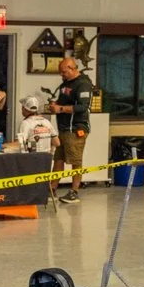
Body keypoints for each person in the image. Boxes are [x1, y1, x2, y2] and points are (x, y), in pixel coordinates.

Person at [49, 56, 94, 203]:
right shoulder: (65, 84)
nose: (61, 75)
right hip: (63, 129)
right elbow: (63, 101)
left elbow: (83, 107)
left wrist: (61, 109)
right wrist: (55, 104)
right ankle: (52, 189)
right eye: (60, 72)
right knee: (58, 159)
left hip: (76, 129)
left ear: (72, 68)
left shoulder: (83, 84)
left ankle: (74, 192)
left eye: (63, 72)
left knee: (76, 160)